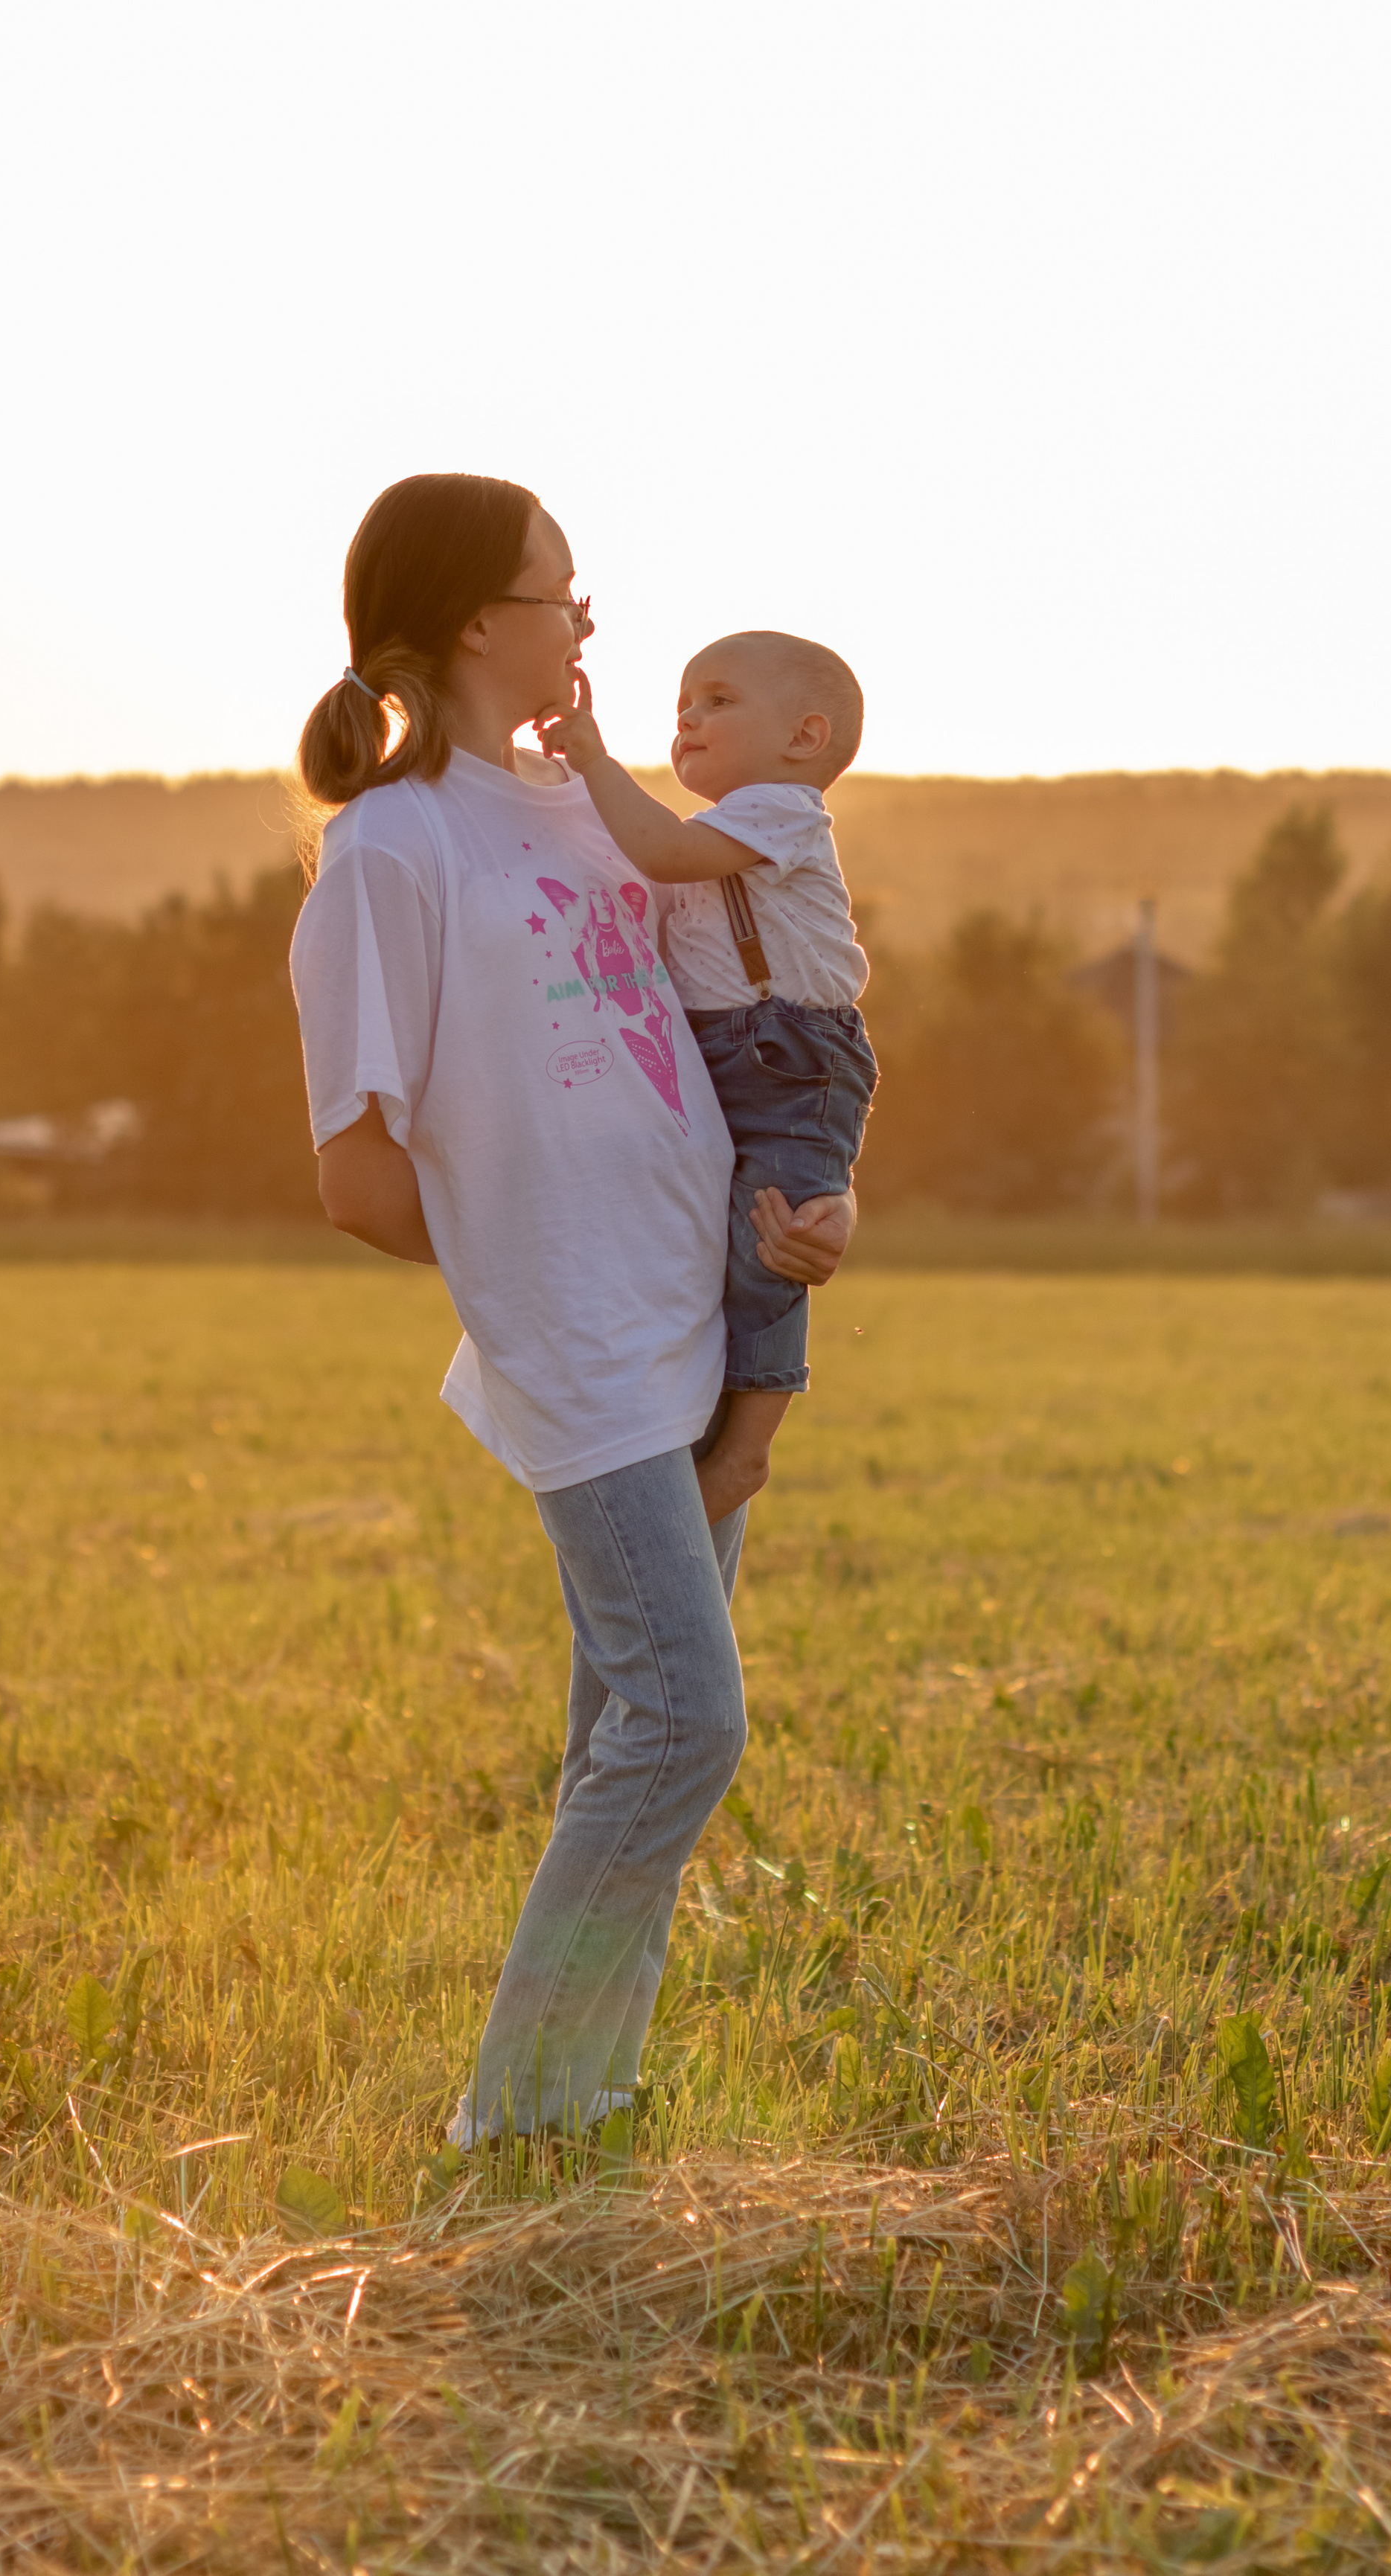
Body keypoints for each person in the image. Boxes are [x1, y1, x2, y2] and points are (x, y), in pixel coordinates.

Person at [287, 473, 854, 2145]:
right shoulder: (389, 854)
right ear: (483, 622)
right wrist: (540, 1273)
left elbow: (749, 1025)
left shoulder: (579, 808)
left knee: (627, 1738)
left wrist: (799, 1208)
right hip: (583, 1345)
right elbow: (355, 1175)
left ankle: (579, 2106)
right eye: (565, 589)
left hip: (696, 1315)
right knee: (684, 1725)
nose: (589, 621)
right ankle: (511, 2122)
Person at [535, 633, 877, 1522]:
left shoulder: (780, 810)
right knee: (714, 1242)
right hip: (719, 1052)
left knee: (775, 1240)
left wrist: (593, 761)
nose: (687, 716)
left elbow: (661, 851)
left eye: (718, 700)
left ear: (804, 738)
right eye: (684, 701)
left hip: (792, 1059)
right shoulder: (720, 823)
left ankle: (748, 1450)